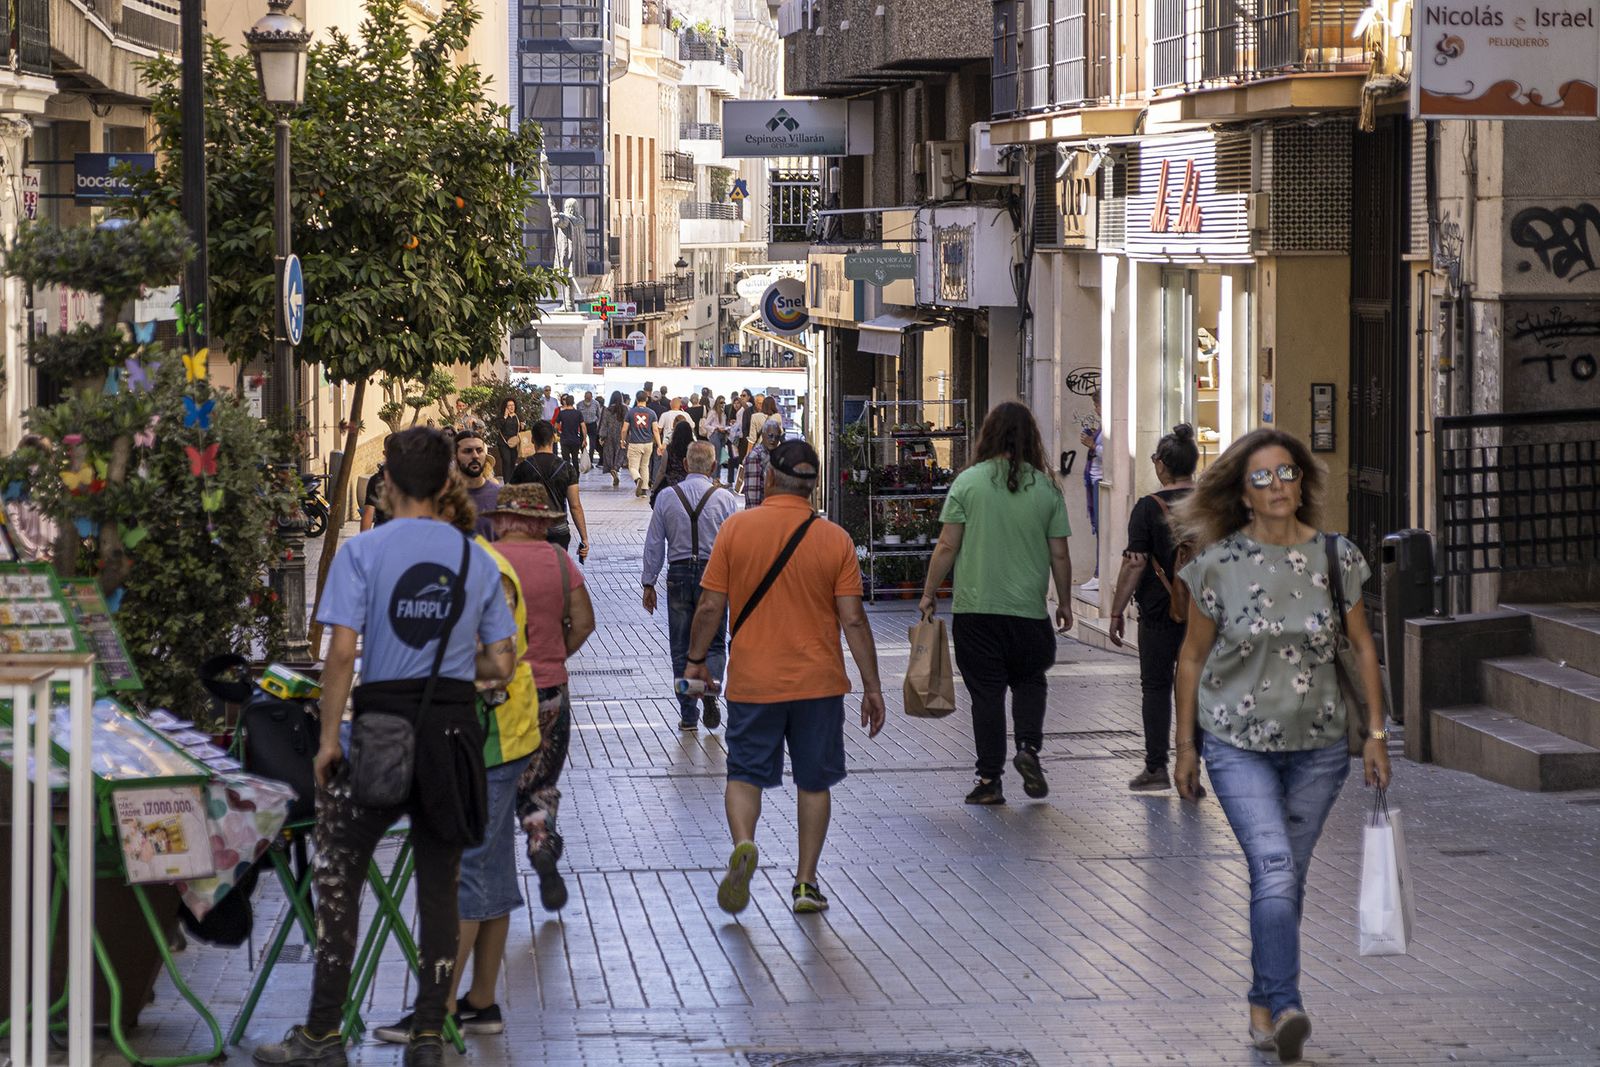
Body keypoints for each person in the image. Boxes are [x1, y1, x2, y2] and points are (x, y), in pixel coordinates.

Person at [253, 428, 517, 1067]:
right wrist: (456, 663)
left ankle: (322, 1031)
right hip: (453, 737)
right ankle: (429, 1032)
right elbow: (503, 662)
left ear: (390, 483)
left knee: (340, 872)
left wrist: (325, 740)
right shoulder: (474, 557)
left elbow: (341, 653)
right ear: (447, 482)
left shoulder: (363, 552)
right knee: (439, 884)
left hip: (381, 732)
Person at [1172, 428, 1389, 1065]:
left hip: (1320, 745)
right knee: (1271, 868)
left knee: (1285, 879)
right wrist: (1184, 747)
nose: (1277, 487)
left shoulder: (1335, 556)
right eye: (1262, 477)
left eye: (1287, 473)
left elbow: (1363, 648)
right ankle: (1288, 1005)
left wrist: (1375, 735)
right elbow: (1190, 658)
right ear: (1241, 493)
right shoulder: (1216, 564)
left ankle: (1262, 1006)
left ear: (1302, 482)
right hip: (1235, 744)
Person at [684, 440, 885, 916]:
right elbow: (853, 620)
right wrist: (873, 686)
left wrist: (696, 661)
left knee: (745, 774)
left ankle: (744, 844)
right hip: (819, 683)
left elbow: (711, 605)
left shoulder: (737, 529)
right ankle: (805, 883)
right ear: (813, 486)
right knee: (814, 782)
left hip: (755, 681)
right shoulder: (834, 538)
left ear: (769, 478)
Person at [373, 480, 541, 1047]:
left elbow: (496, 659)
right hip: (490, 737)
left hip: (487, 739)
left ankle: (437, 1009)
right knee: (489, 873)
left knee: (466, 874)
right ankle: (480, 1002)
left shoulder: (480, 570)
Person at [918, 402, 1074, 806]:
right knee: (1029, 680)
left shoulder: (967, 483)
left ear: (988, 435)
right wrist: (1066, 602)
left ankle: (990, 780)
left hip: (976, 611)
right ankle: (1028, 747)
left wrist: (929, 593)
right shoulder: (1046, 488)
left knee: (986, 695)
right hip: (1028, 612)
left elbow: (947, 545)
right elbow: (1059, 554)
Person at [487, 484, 597, 910]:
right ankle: (540, 841)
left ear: (502, 520)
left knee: (495, 782)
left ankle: (493, 877)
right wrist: (553, 655)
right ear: (539, 523)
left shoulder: (485, 561)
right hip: (550, 690)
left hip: (495, 693)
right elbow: (584, 622)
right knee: (539, 782)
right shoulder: (558, 559)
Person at [1108, 424, 1200, 791]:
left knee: (1156, 687)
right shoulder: (1210, 503)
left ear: (1162, 465)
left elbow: (1135, 563)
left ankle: (1156, 767)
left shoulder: (1148, 508)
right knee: (1197, 689)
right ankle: (1191, 767)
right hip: (1204, 613)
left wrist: (1116, 611)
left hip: (1159, 611)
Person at [643, 442, 738, 730]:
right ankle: (710, 691)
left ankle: (688, 713)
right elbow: (735, 545)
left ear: (685, 465)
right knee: (716, 641)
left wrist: (649, 582)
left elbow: (654, 542)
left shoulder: (667, 497)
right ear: (712, 467)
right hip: (715, 577)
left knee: (681, 645)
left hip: (679, 575)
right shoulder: (725, 499)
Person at [511, 422, 589, 562]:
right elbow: (575, 506)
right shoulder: (567, 468)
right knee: (557, 571)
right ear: (554, 438)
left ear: (533, 439)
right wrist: (584, 538)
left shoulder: (522, 468)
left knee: (534, 572)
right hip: (558, 529)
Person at [1078, 392, 1104, 593]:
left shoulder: (1110, 426)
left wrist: (1092, 444)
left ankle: (1099, 574)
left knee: (1101, 529)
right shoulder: (1104, 427)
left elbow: (1108, 452)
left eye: (1096, 404)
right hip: (1095, 480)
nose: (1095, 409)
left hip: (1099, 480)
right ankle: (1098, 572)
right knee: (1098, 527)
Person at [454, 431, 500, 541]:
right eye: (467, 451)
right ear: (455, 457)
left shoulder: (501, 496)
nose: (475, 456)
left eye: (479, 450)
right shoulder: (443, 497)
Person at [736, 420, 783, 508]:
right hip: (760, 511)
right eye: (770, 436)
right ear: (763, 435)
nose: (773, 440)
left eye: (777, 437)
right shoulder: (755, 456)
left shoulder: (776, 454)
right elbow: (752, 492)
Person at [625, 390, 661, 498]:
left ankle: (637, 479)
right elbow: (655, 430)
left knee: (633, 467)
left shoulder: (631, 412)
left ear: (636, 399)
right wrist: (659, 444)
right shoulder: (652, 413)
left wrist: (622, 440)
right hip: (648, 444)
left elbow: (624, 429)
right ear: (646, 399)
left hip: (635, 443)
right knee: (645, 466)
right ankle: (644, 490)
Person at [650, 421, 695, 506]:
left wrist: (655, 487)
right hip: (690, 484)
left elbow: (662, 471)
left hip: (672, 486)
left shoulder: (669, 450)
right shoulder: (694, 450)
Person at [599, 392, 628, 488]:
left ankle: (612, 469)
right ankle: (616, 468)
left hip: (609, 436)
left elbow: (604, 423)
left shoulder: (607, 409)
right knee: (621, 453)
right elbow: (627, 423)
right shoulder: (625, 409)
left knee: (610, 454)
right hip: (621, 434)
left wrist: (602, 436)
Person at [495, 398, 523, 484]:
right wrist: (505, 416)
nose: (511, 407)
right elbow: (498, 426)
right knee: (506, 460)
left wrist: (523, 426)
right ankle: (506, 482)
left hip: (514, 442)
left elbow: (521, 430)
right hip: (503, 442)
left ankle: (511, 480)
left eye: (513, 405)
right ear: (505, 407)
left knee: (512, 461)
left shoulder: (517, 416)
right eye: (509, 405)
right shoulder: (501, 416)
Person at [555, 395, 585, 467]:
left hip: (564, 440)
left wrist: (559, 432)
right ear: (573, 402)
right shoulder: (578, 413)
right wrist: (584, 439)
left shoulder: (562, 413)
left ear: (566, 402)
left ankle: (567, 475)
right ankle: (576, 475)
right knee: (575, 460)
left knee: (566, 460)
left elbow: (556, 426)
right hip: (575, 440)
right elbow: (583, 427)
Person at [702, 397, 729, 476]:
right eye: (721, 402)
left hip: (722, 435)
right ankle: (714, 478)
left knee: (722, 458)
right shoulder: (713, 412)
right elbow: (706, 425)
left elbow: (722, 425)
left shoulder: (723, 413)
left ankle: (717, 478)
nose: (723, 404)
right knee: (716, 457)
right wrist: (715, 428)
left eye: (724, 402)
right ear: (717, 403)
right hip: (715, 434)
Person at [577, 391, 601, 463]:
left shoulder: (596, 404)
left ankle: (590, 459)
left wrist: (596, 423)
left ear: (591, 397)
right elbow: (577, 415)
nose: (587, 399)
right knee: (582, 441)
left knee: (592, 443)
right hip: (583, 424)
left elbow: (598, 415)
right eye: (586, 397)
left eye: (589, 398)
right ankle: (584, 457)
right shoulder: (579, 404)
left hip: (592, 424)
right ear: (584, 397)